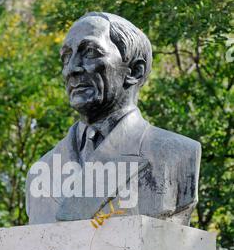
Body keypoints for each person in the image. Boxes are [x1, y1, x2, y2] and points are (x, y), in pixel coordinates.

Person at [26, 12, 201, 226]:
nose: (71, 69)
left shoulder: (176, 155)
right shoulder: (41, 171)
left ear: (135, 71)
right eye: (66, 57)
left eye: (90, 52)